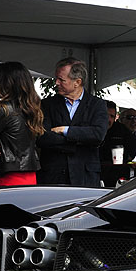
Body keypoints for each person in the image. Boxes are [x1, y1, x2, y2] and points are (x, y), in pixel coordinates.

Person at [36, 58, 108, 187]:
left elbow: (98, 135)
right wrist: (79, 141)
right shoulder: (47, 105)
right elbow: (42, 137)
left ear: (77, 82)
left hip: (85, 178)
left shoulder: (97, 105)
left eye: (61, 80)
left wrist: (65, 130)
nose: (56, 83)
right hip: (53, 177)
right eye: (56, 78)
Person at [0, 62, 43, 187]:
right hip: (31, 174)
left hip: (10, 176)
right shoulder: (33, 108)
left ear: (8, 84)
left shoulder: (3, 109)